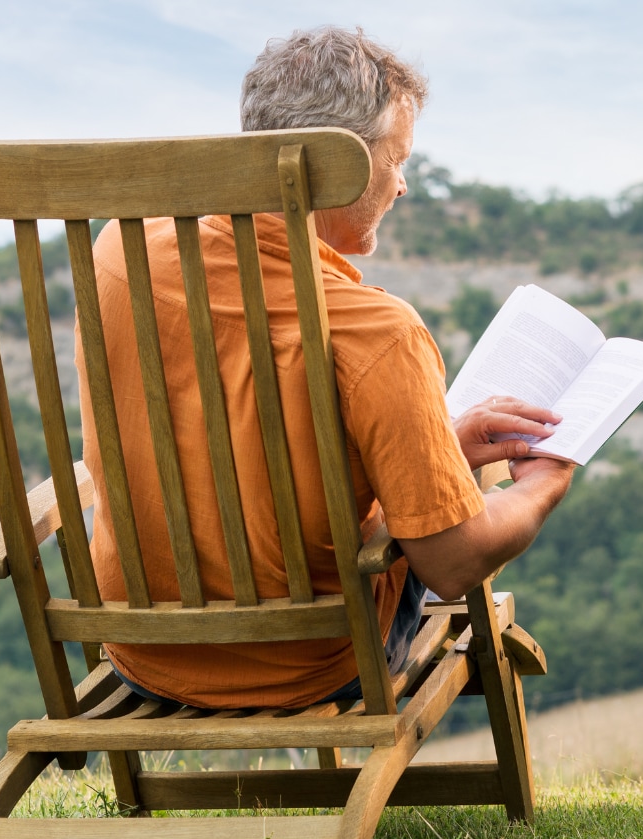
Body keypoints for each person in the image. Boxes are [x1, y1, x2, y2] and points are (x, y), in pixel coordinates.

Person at [78, 27, 574, 710]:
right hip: (311, 660)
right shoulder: (375, 331)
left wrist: (437, 448)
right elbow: (454, 563)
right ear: (342, 165)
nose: (401, 186)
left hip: (144, 649)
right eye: (397, 160)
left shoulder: (122, 254)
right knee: (453, 535)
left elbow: (239, 441)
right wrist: (543, 485)